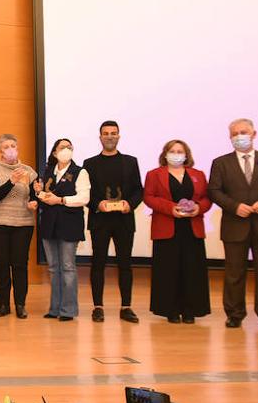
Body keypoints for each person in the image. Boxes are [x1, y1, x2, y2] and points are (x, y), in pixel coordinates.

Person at [208, 118, 258, 330]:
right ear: (230, 137)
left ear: (254, 134)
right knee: (234, 273)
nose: (239, 136)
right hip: (234, 225)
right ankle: (234, 313)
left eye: (244, 132)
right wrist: (234, 206)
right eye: (235, 133)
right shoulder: (221, 162)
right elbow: (214, 191)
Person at [81, 121, 144, 323]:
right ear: (100, 137)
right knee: (98, 263)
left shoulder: (130, 162)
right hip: (100, 221)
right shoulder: (89, 163)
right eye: (106, 133)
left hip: (124, 220)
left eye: (113, 133)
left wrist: (130, 203)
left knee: (125, 263)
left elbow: (138, 190)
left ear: (119, 136)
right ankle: (97, 307)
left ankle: (126, 307)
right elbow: (85, 193)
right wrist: (97, 204)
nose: (110, 136)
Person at [144, 140, 212, 324]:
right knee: (167, 269)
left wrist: (198, 208)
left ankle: (191, 310)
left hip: (192, 228)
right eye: (172, 151)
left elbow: (207, 198)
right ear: (165, 154)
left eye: (180, 151)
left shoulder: (198, 174)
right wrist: (171, 208)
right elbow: (149, 197)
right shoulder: (154, 174)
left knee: (193, 269)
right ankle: (170, 310)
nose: (176, 154)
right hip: (166, 227)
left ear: (186, 154)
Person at [0, 134, 38, 318]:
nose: (10, 149)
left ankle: (20, 304)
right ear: (0, 150)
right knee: (1, 264)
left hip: (23, 223)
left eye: (13, 145)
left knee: (20, 264)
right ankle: (4, 304)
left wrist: (35, 202)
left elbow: (36, 196)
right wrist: (11, 181)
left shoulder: (29, 171)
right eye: (6, 146)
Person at [36, 138, 89, 321]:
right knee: (53, 267)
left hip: (69, 224)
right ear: (54, 153)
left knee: (67, 267)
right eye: (62, 147)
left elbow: (83, 198)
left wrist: (61, 200)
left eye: (69, 147)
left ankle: (68, 310)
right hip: (49, 223)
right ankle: (54, 308)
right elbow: (45, 196)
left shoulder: (80, 172)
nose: (66, 150)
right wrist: (38, 193)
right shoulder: (49, 171)